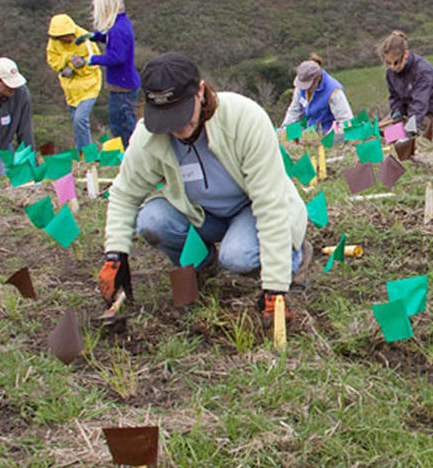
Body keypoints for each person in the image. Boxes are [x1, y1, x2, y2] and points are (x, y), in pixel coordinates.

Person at [97, 53, 309, 321]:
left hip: (250, 208)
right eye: (167, 118)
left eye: (182, 114)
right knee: (152, 220)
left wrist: (275, 287)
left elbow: (270, 203)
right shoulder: (148, 137)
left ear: (200, 91)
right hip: (200, 213)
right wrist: (116, 254)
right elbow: (124, 194)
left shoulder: (244, 119)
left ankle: (295, 256)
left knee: (237, 257)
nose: (176, 127)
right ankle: (202, 264)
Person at [87, 0, 141, 146]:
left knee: (122, 127)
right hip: (124, 84)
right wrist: (95, 36)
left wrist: (92, 59)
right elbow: (113, 41)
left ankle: (130, 157)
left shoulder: (118, 29)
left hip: (122, 87)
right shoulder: (120, 23)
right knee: (122, 124)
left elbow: (116, 57)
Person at [45, 14, 102, 149]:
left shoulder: (85, 38)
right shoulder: (54, 42)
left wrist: (81, 65)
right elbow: (52, 61)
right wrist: (67, 61)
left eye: (67, 37)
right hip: (70, 88)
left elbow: (96, 61)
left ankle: (87, 157)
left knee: (80, 120)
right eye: (62, 39)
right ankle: (82, 155)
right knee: (76, 124)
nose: (66, 41)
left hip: (89, 85)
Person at [378, 30, 433, 138]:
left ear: (405, 54)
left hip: (432, 115)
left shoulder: (422, 71)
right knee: (381, 131)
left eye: (396, 62)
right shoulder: (390, 73)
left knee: (398, 134)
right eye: (388, 63)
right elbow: (395, 97)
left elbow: (419, 105)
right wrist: (397, 112)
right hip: (409, 112)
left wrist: (408, 131)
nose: (392, 67)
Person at [281, 55, 354, 133]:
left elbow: (346, 121)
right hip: (310, 131)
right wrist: (285, 129)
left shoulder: (334, 91)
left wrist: (331, 138)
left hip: (328, 134)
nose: (305, 88)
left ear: (318, 79)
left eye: (308, 85)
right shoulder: (301, 87)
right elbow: (294, 111)